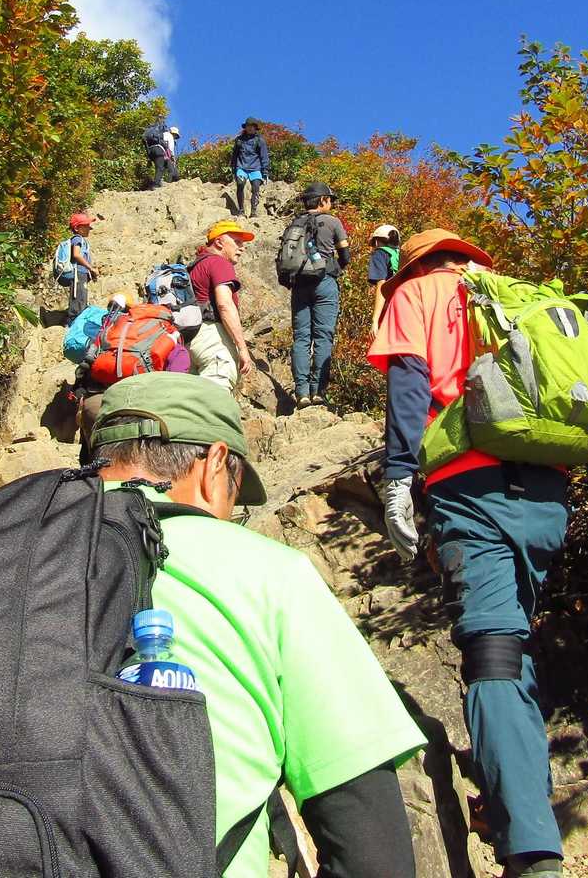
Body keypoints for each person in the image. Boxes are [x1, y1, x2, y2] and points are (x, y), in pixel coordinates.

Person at [366, 228, 588, 878]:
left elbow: (410, 386)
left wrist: (398, 479)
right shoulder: (523, 300)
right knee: (511, 641)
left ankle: (532, 852)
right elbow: (581, 397)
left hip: (471, 491)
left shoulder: (417, 294)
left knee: (491, 653)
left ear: (413, 265)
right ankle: (518, 796)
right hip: (547, 496)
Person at [90, 373, 426, 878]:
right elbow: (374, 854)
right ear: (215, 464)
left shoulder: (8, 561)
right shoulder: (271, 573)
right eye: (235, 493)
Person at [288, 181, 350, 408]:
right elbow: (345, 256)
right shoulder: (333, 222)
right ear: (323, 200)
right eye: (330, 199)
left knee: (301, 338)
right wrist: (334, 268)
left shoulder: (295, 223)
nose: (331, 203)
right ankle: (318, 392)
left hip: (299, 284)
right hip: (324, 282)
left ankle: (301, 393)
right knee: (323, 336)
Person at [187, 219, 255, 390]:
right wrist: (242, 348)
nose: (242, 247)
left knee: (194, 396)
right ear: (219, 242)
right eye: (237, 242)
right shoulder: (219, 262)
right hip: (212, 337)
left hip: (189, 339)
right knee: (217, 392)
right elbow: (225, 305)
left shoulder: (195, 266)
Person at [229, 117, 270, 218]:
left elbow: (264, 156)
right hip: (241, 167)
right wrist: (233, 168)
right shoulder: (239, 140)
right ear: (245, 127)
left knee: (256, 188)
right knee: (240, 184)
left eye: (252, 126)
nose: (250, 128)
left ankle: (253, 212)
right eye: (248, 126)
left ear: (255, 128)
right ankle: (241, 211)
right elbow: (234, 155)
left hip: (256, 168)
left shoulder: (260, 141)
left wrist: (265, 171)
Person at [65, 211, 99, 322]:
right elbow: (76, 255)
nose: (89, 228)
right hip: (78, 273)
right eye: (86, 226)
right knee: (78, 299)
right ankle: (73, 322)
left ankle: (77, 320)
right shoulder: (77, 239)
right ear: (77, 228)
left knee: (81, 298)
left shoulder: (80, 240)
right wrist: (90, 268)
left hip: (81, 273)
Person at [367, 224, 400, 334]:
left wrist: (375, 320)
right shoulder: (402, 255)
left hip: (390, 307)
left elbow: (382, 283)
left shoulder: (380, 253)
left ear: (376, 242)